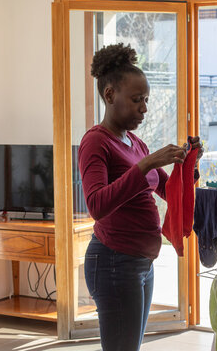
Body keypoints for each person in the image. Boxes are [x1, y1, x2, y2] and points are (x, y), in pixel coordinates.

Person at [78, 43, 203, 351]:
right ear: (110, 95)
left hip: (140, 263)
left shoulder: (135, 142)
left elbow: (167, 191)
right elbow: (97, 205)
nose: (145, 108)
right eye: (137, 100)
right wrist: (146, 164)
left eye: (146, 100)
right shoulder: (96, 142)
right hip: (113, 261)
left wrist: (189, 167)